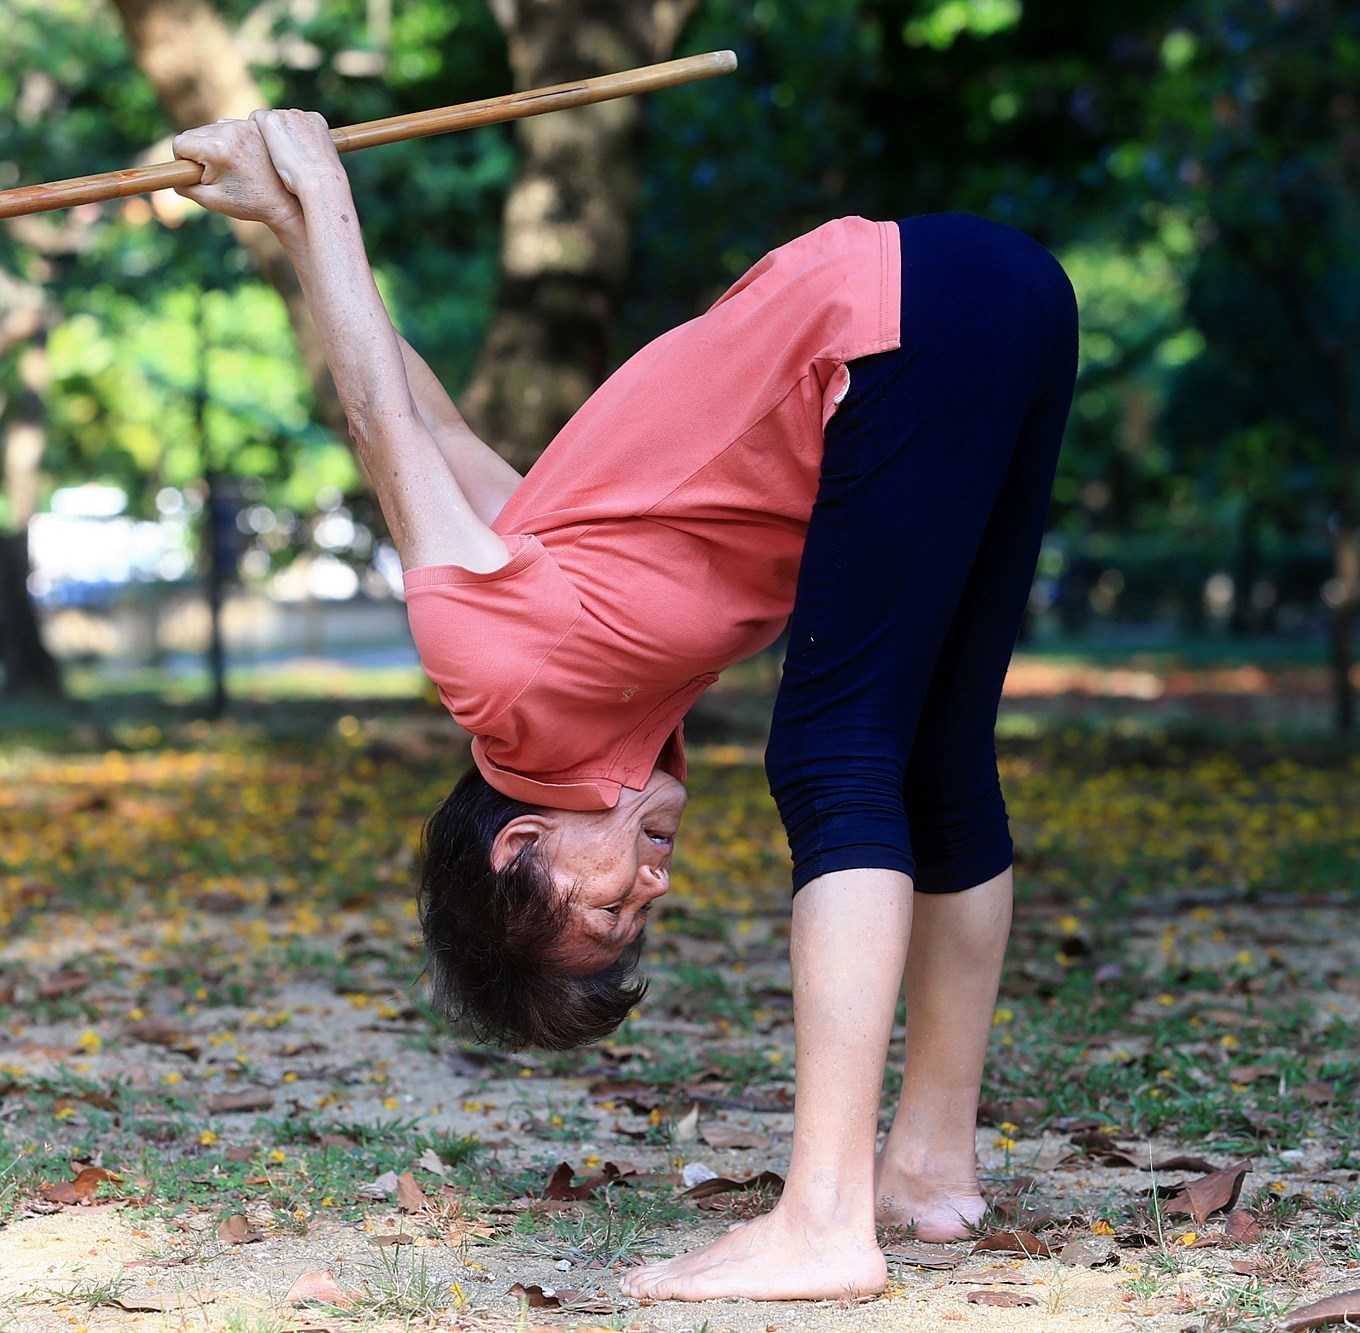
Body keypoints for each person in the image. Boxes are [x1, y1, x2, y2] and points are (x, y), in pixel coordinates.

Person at [173, 108, 1078, 1302]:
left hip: (894, 328)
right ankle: (926, 1167)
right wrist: (286, 221)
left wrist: (315, 183)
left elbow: (392, 427)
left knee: (831, 759)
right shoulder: (583, 650)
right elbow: (435, 418)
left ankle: (821, 1221)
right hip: (998, 298)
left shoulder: (492, 666)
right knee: (935, 760)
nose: (648, 891)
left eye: (603, 916)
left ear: (519, 844)